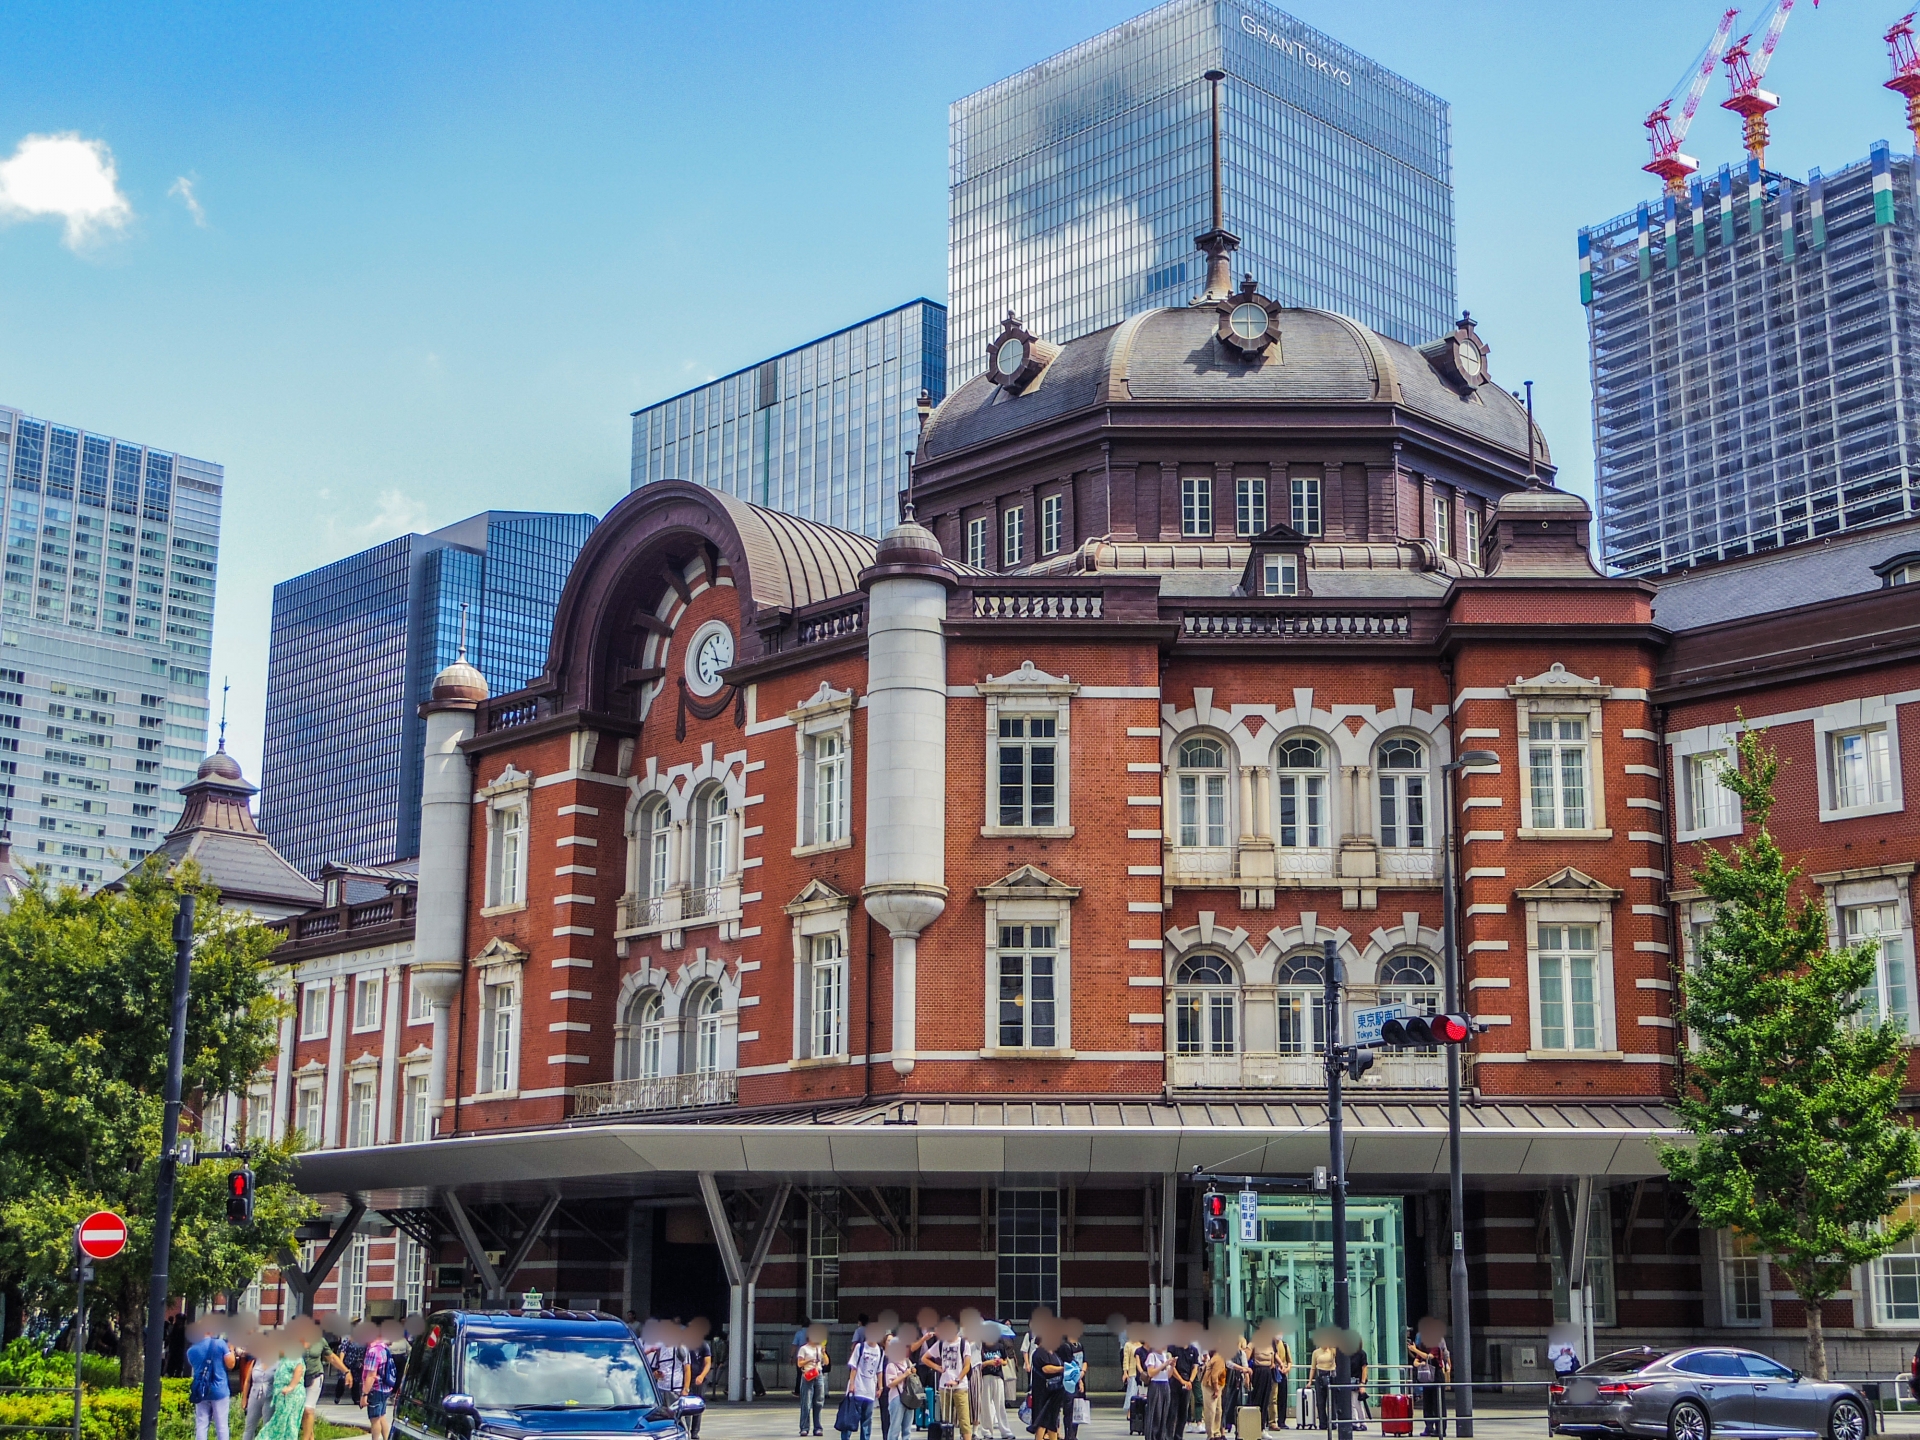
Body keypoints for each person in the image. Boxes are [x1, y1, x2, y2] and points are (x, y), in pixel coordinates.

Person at [294, 1318, 349, 1440]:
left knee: (308, 1409)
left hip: (315, 1376)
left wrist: (346, 1371)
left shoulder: (320, 1341)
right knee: (301, 1410)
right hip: (298, 1379)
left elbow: (332, 1358)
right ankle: (310, 1436)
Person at [187, 1320, 236, 1440]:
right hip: (219, 1390)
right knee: (222, 1426)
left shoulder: (191, 1350)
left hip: (201, 1391)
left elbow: (195, 1367)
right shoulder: (219, 1344)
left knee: (201, 1424)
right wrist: (232, 1350)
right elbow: (231, 1365)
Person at [258, 1334, 307, 1440]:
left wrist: (291, 1387)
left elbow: (298, 1371)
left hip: (292, 1395)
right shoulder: (284, 1360)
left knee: (290, 1422)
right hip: (283, 1396)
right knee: (280, 1420)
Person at [841, 1325, 884, 1440]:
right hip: (858, 1389)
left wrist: (880, 1387)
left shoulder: (880, 1350)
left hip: (870, 1391)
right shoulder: (860, 1347)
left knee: (867, 1421)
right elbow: (853, 1367)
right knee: (850, 1418)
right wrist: (851, 1384)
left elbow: (879, 1370)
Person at [1027, 1319, 1066, 1440]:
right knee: (1042, 1420)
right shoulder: (1039, 1352)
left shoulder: (1054, 1353)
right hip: (1043, 1391)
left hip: (1055, 1391)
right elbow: (1046, 1369)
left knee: (1053, 1421)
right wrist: (1062, 1369)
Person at [1408, 1324, 1448, 1440]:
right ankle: (1429, 1427)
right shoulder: (1422, 1345)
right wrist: (1419, 1363)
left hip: (1436, 1376)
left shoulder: (1435, 1346)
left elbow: (1428, 1357)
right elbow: (1416, 1361)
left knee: (1438, 1404)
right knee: (1428, 1404)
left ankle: (1440, 1429)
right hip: (1426, 1377)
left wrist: (1415, 1350)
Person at [361, 1326, 397, 1440]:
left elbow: (371, 1375)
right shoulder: (383, 1347)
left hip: (375, 1389)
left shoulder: (373, 1351)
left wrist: (364, 1394)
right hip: (386, 1388)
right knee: (381, 1416)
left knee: (374, 1419)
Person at [1141, 1329, 1177, 1440]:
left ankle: (1162, 1436)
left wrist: (1172, 1366)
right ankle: (1152, 1436)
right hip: (1155, 1385)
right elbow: (1151, 1373)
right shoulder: (1152, 1356)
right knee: (1155, 1412)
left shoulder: (1166, 1356)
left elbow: (1168, 1375)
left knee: (1164, 1412)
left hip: (1165, 1385)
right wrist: (1164, 1365)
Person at [798, 1323, 831, 1437]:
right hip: (808, 1375)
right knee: (806, 1403)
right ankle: (804, 1427)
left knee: (818, 1402)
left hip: (818, 1375)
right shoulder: (803, 1349)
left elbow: (826, 1362)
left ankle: (818, 1427)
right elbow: (799, 1363)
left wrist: (823, 1353)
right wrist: (809, 1361)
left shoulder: (819, 1348)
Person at [685, 1319, 714, 1440]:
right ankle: (686, 1430)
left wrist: (701, 1376)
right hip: (687, 1379)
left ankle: (694, 1432)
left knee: (697, 1406)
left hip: (699, 1379)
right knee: (686, 1406)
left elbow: (708, 1363)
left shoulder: (703, 1345)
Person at [884, 1337, 917, 1440]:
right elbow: (890, 1383)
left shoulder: (907, 1362)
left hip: (909, 1397)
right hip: (897, 1398)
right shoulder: (891, 1364)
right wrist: (904, 1375)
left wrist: (913, 1372)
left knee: (907, 1429)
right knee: (895, 1428)